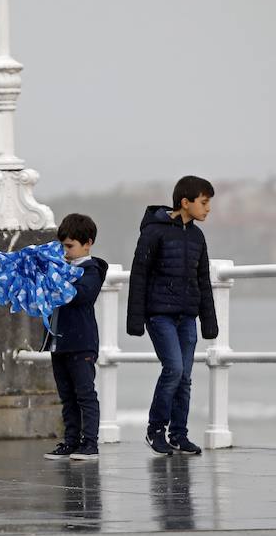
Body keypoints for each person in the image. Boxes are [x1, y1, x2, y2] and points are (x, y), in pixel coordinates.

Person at [126, 175, 218, 456]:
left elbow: (203, 280)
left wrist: (209, 322)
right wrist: (135, 319)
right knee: (174, 369)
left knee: (186, 377)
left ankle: (178, 434)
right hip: (160, 315)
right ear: (185, 202)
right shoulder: (154, 232)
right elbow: (139, 274)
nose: (208, 209)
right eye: (204, 203)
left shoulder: (198, 237)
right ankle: (155, 430)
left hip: (187, 316)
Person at [42, 214, 109, 461]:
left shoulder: (91, 270)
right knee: (67, 396)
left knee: (85, 394)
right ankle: (71, 441)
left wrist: (57, 279)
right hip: (59, 342)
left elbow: (83, 295)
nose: (65, 251)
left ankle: (90, 443)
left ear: (87, 243)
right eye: (62, 246)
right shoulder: (62, 270)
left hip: (82, 343)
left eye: (69, 246)